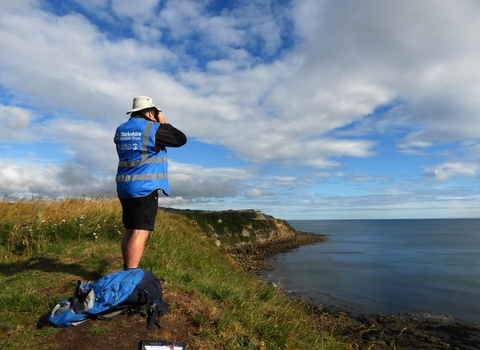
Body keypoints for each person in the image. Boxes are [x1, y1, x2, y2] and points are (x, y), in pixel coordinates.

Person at [114, 96, 187, 269]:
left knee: (130, 229)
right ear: (149, 112)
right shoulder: (153, 129)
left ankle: (127, 268)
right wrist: (163, 122)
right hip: (145, 188)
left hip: (124, 186)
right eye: (155, 111)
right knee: (140, 231)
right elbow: (180, 139)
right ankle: (130, 274)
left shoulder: (120, 129)